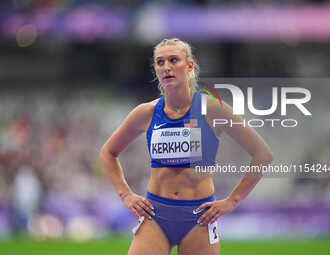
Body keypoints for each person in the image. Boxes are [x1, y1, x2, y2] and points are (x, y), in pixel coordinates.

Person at [100, 38, 273, 255]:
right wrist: (125, 194)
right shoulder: (146, 112)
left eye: (174, 60)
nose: (167, 67)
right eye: (160, 62)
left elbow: (262, 154)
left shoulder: (213, 110)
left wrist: (232, 201)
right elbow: (108, 152)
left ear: (189, 65)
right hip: (156, 215)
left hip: (199, 217)